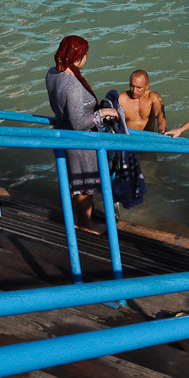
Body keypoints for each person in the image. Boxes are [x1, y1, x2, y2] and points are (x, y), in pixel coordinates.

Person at [44, 35, 118, 235]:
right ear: (77, 58)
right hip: (80, 144)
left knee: (72, 182)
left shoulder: (52, 74)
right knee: (86, 187)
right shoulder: (73, 86)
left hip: (62, 134)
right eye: (85, 55)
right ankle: (85, 225)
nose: (86, 58)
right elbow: (79, 123)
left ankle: (73, 217)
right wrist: (102, 114)